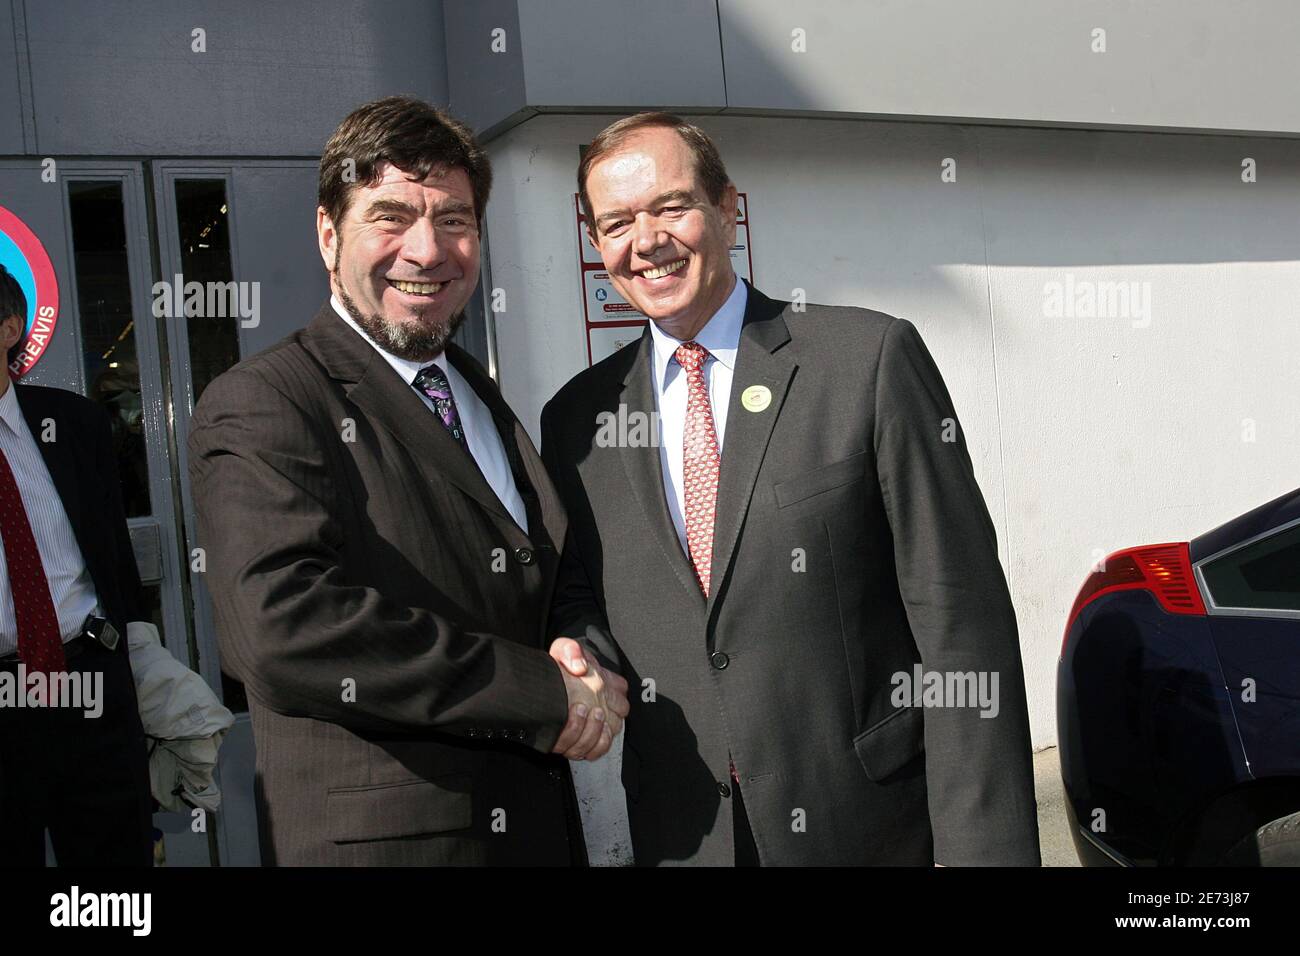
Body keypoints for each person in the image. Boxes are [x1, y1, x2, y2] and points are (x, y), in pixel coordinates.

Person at [541, 113, 1040, 866]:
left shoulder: (865, 360)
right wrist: (581, 656)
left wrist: (985, 851)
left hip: (867, 829)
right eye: (617, 222)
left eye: (671, 206)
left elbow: (961, 624)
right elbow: (588, 595)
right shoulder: (579, 419)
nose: (646, 241)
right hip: (686, 838)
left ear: (729, 209)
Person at [188, 96, 628, 866]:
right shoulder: (265, 399)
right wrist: (538, 694)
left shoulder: (474, 389)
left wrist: (584, 658)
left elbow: (542, 575)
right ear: (329, 235)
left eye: (454, 220)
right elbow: (282, 627)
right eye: (391, 217)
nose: (428, 251)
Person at [0, 262, 152, 866]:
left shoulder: (76, 424)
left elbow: (114, 557)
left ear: (10, 329)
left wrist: (144, 665)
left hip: (90, 685)